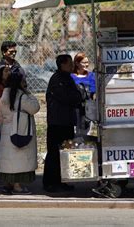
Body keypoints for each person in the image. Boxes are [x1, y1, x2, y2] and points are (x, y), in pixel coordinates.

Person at [43, 54, 83, 192]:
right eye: (69, 63)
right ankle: (50, 182)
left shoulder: (66, 78)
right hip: (58, 122)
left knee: (65, 152)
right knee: (55, 153)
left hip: (65, 121)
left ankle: (62, 180)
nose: (72, 65)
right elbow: (69, 97)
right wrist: (78, 96)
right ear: (62, 64)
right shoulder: (58, 79)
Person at [0, 69, 40, 195]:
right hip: (21, 130)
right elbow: (35, 108)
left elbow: (1, 115)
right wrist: (28, 92)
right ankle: (17, 186)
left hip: (7, 130)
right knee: (19, 158)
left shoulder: (4, 96)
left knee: (9, 158)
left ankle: (9, 184)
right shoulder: (22, 96)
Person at [0, 41, 24, 174]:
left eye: (15, 52)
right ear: (4, 52)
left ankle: (3, 170)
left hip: (10, 116)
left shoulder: (17, 66)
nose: (13, 54)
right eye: (10, 52)